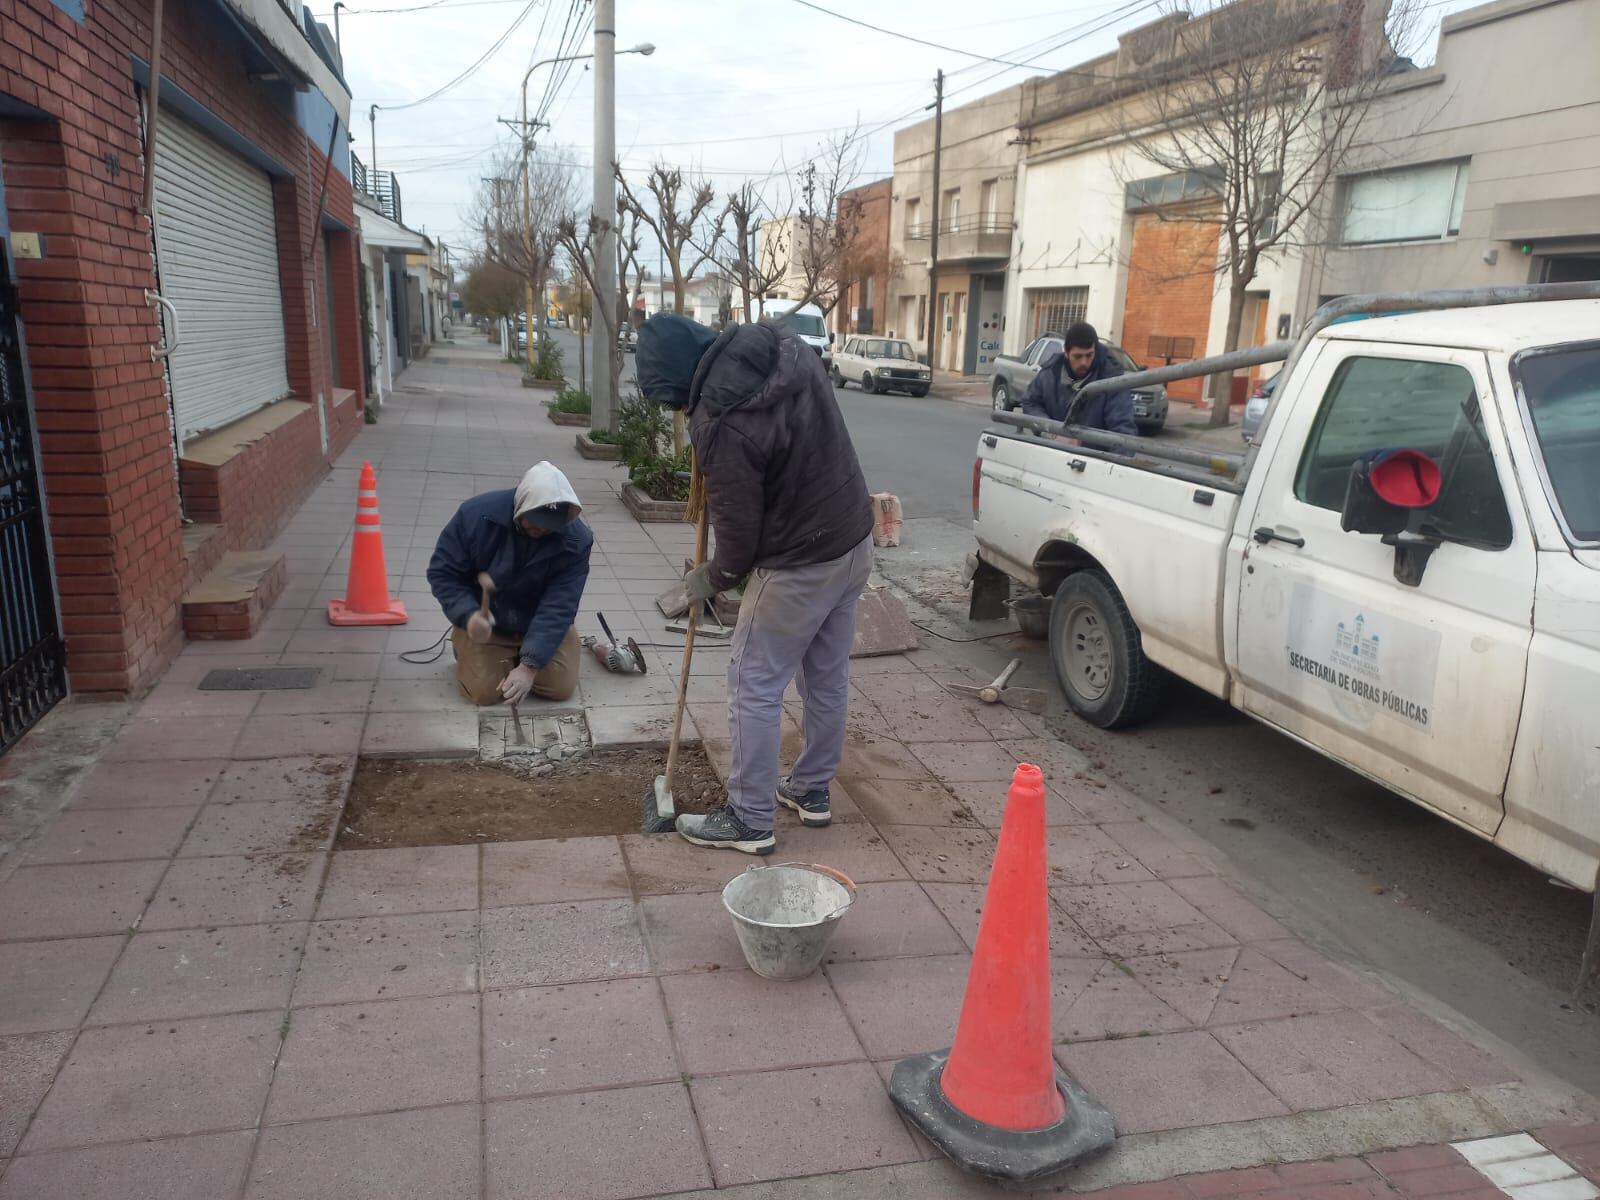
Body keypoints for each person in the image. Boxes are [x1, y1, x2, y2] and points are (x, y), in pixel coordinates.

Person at [636, 312, 875, 855]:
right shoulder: (783, 348)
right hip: (851, 539)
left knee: (753, 681)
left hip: (800, 560)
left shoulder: (719, 419)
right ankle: (812, 790)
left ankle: (748, 818)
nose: (679, 412)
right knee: (827, 675)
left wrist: (710, 579)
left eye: (673, 402)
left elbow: (739, 544)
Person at [426, 461, 591, 705]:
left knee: (560, 689)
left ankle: (526, 653)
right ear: (521, 507)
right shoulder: (475, 517)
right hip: (491, 621)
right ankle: (466, 640)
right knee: (484, 693)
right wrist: (468, 615)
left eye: (549, 527)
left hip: (538, 619)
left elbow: (560, 604)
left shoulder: (576, 540)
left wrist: (529, 666)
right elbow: (444, 574)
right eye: (534, 523)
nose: (540, 531)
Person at [1020, 321, 1138, 435]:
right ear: (1066, 352)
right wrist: (1052, 432)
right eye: (1078, 356)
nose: (1084, 362)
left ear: (1095, 351)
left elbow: (1123, 428)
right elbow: (1030, 402)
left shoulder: (1111, 379)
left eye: (1089, 355)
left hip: (1093, 454)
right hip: (1055, 452)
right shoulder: (1050, 374)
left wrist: (1083, 442)